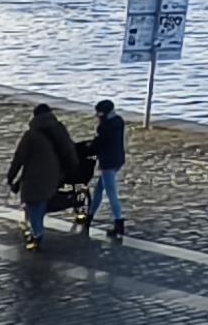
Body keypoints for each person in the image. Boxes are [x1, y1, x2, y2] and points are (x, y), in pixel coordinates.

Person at [7, 102, 77, 247]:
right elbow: (69, 150)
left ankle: (37, 234)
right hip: (54, 173)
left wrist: (11, 177)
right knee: (40, 202)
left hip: (34, 176)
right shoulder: (59, 129)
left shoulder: (31, 135)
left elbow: (19, 158)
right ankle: (35, 229)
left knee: (33, 204)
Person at [83, 98, 129, 241]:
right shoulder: (119, 121)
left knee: (111, 193)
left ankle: (118, 222)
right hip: (118, 159)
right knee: (99, 189)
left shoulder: (104, 127)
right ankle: (89, 216)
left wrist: (87, 149)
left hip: (107, 162)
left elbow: (97, 145)